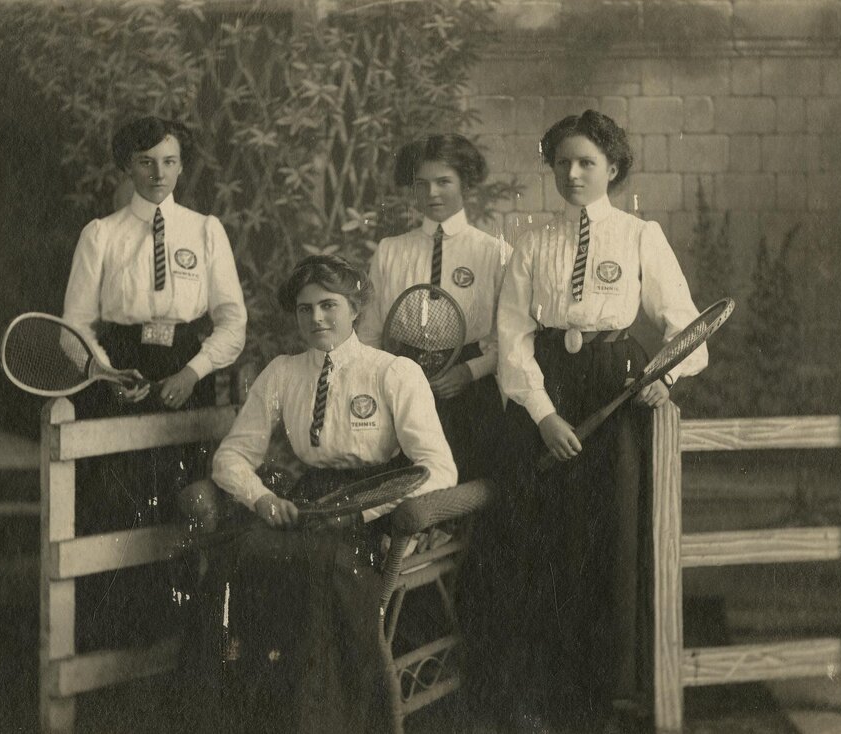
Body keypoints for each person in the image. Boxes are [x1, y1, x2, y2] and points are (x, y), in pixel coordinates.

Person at [489, 110, 708, 732]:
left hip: (617, 396)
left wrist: (662, 380)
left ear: (613, 167)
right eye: (562, 162)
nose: (574, 173)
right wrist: (544, 415)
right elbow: (511, 338)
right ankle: (551, 693)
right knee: (548, 543)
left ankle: (610, 694)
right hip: (550, 397)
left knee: (612, 540)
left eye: (587, 162)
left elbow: (690, 331)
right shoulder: (532, 242)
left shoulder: (642, 236)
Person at [179, 255, 457, 734]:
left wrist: (365, 513)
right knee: (241, 554)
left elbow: (439, 469)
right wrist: (262, 499)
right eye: (305, 310)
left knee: (320, 569)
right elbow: (230, 458)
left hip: (373, 511)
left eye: (329, 305)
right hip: (307, 504)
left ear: (355, 309)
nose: (316, 319)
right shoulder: (283, 373)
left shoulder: (394, 373)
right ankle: (246, 716)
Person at [62, 116, 247, 649]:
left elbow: (233, 322)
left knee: (189, 505)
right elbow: (73, 327)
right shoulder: (101, 235)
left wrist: (194, 372)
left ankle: (189, 648)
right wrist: (106, 372)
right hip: (121, 373)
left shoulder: (206, 230)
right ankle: (116, 645)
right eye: (145, 162)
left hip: (188, 368)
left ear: (182, 164)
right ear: (127, 166)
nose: (158, 173)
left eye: (169, 161)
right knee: (117, 503)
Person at [357, 133, 511, 483]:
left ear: (465, 184)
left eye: (444, 182)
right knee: (405, 489)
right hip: (402, 385)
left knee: (469, 489)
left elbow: (508, 339)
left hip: (470, 389)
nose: (433, 194)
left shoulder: (493, 253)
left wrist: (468, 372)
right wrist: (389, 382)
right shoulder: (390, 250)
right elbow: (369, 333)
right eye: (422, 184)